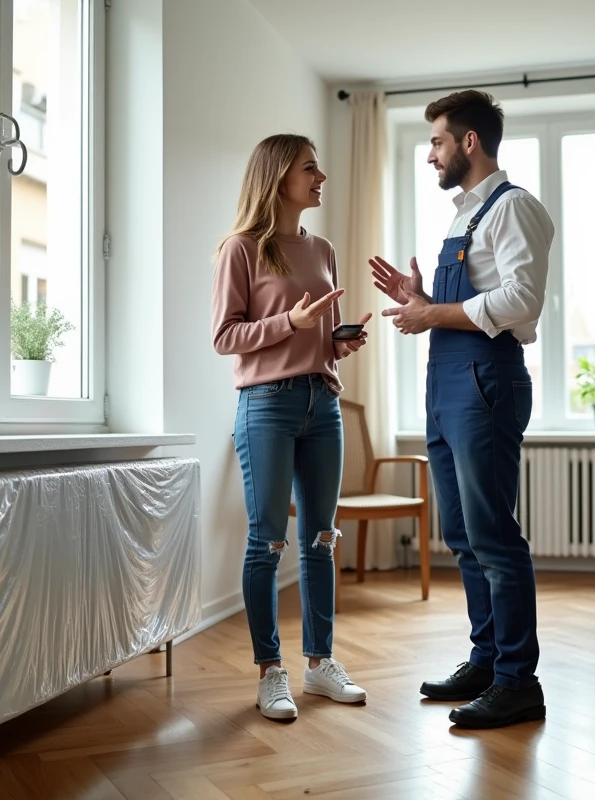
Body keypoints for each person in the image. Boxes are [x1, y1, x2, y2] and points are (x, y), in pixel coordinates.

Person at [371, 90, 555, 729]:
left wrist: (431, 314)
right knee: (460, 533)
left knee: (495, 536)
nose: (432, 156)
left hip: (485, 385)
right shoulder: (463, 217)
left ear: (469, 142)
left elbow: (521, 303)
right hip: (447, 385)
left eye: (438, 143)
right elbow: (465, 300)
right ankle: (485, 660)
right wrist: (418, 298)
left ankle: (516, 681)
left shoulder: (516, 208)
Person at [211, 133, 371, 721]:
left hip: (320, 402)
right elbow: (225, 336)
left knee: (321, 539)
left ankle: (320, 664)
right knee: (267, 539)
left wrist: (334, 340)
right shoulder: (241, 249)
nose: (320, 176)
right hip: (267, 406)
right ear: (279, 177)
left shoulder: (322, 248)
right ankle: (269, 670)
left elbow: (311, 336)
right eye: (310, 168)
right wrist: (289, 320)